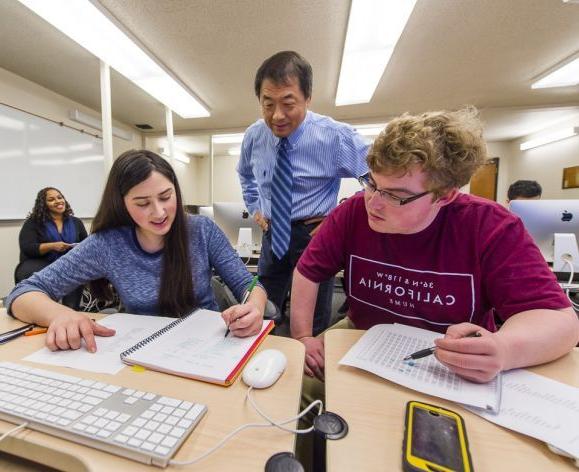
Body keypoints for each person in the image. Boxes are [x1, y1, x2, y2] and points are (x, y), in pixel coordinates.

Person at [291, 107, 578, 385]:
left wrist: (504, 349)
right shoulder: (353, 212)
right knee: (297, 384)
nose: (373, 203)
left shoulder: (490, 226)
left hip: (449, 357)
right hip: (362, 336)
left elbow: (561, 322)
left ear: (444, 196)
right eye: (371, 183)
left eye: (396, 195)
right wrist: (303, 337)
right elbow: (307, 272)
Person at [7, 150, 266, 352]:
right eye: (142, 203)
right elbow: (22, 294)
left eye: (166, 196)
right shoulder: (107, 244)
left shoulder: (200, 230)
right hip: (141, 350)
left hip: (208, 346)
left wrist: (254, 306)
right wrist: (62, 315)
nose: (159, 212)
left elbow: (249, 285)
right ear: (122, 205)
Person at [237, 50, 369, 335]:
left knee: (310, 320)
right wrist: (255, 206)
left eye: (288, 103)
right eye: (267, 103)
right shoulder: (254, 136)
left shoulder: (335, 137)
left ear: (307, 98)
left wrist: (339, 219)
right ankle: (259, 358)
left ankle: (308, 372)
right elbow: (245, 175)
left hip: (313, 235)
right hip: (273, 233)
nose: (277, 115)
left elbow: (379, 179)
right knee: (263, 306)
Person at [16, 187, 88, 310]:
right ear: (43, 204)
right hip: (41, 264)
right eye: (51, 199)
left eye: (60, 197)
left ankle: (71, 310)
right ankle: (42, 311)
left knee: (75, 271)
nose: (58, 201)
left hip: (69, 264)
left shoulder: (76, 222)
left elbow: (86, 244)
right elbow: (27, 247)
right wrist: (52, 246)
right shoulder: (33, 223)